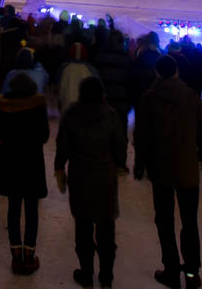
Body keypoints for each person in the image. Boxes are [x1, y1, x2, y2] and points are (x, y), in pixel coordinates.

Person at [134, 55, 202, 289]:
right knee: (190, 222)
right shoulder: (190, 97)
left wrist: (140, 164)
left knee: (165, 221)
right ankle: (191, 273)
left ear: (157, 73)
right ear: (177, 72)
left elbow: (142, 136)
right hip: (187, 168)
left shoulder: (149, 98)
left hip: (161, 169)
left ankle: (171, 269)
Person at [55, 75, 127, 288]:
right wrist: (120, 164)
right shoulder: (111, 115)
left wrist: (59, 167)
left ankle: (86, 273)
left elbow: (63, 145)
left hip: (80, 177)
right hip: (105, 179)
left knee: (83, 226)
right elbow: (120, 145)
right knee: (106, 228)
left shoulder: (71, 115)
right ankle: (106, 275)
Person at [0, 71, 49, 275]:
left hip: (11, 162)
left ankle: (16, 255)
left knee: (14, 207)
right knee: (32, 209)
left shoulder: (5, 106)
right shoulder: (38, 105)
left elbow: (0, 134)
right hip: (33, 162)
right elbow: (44, 135)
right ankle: (29, 253)